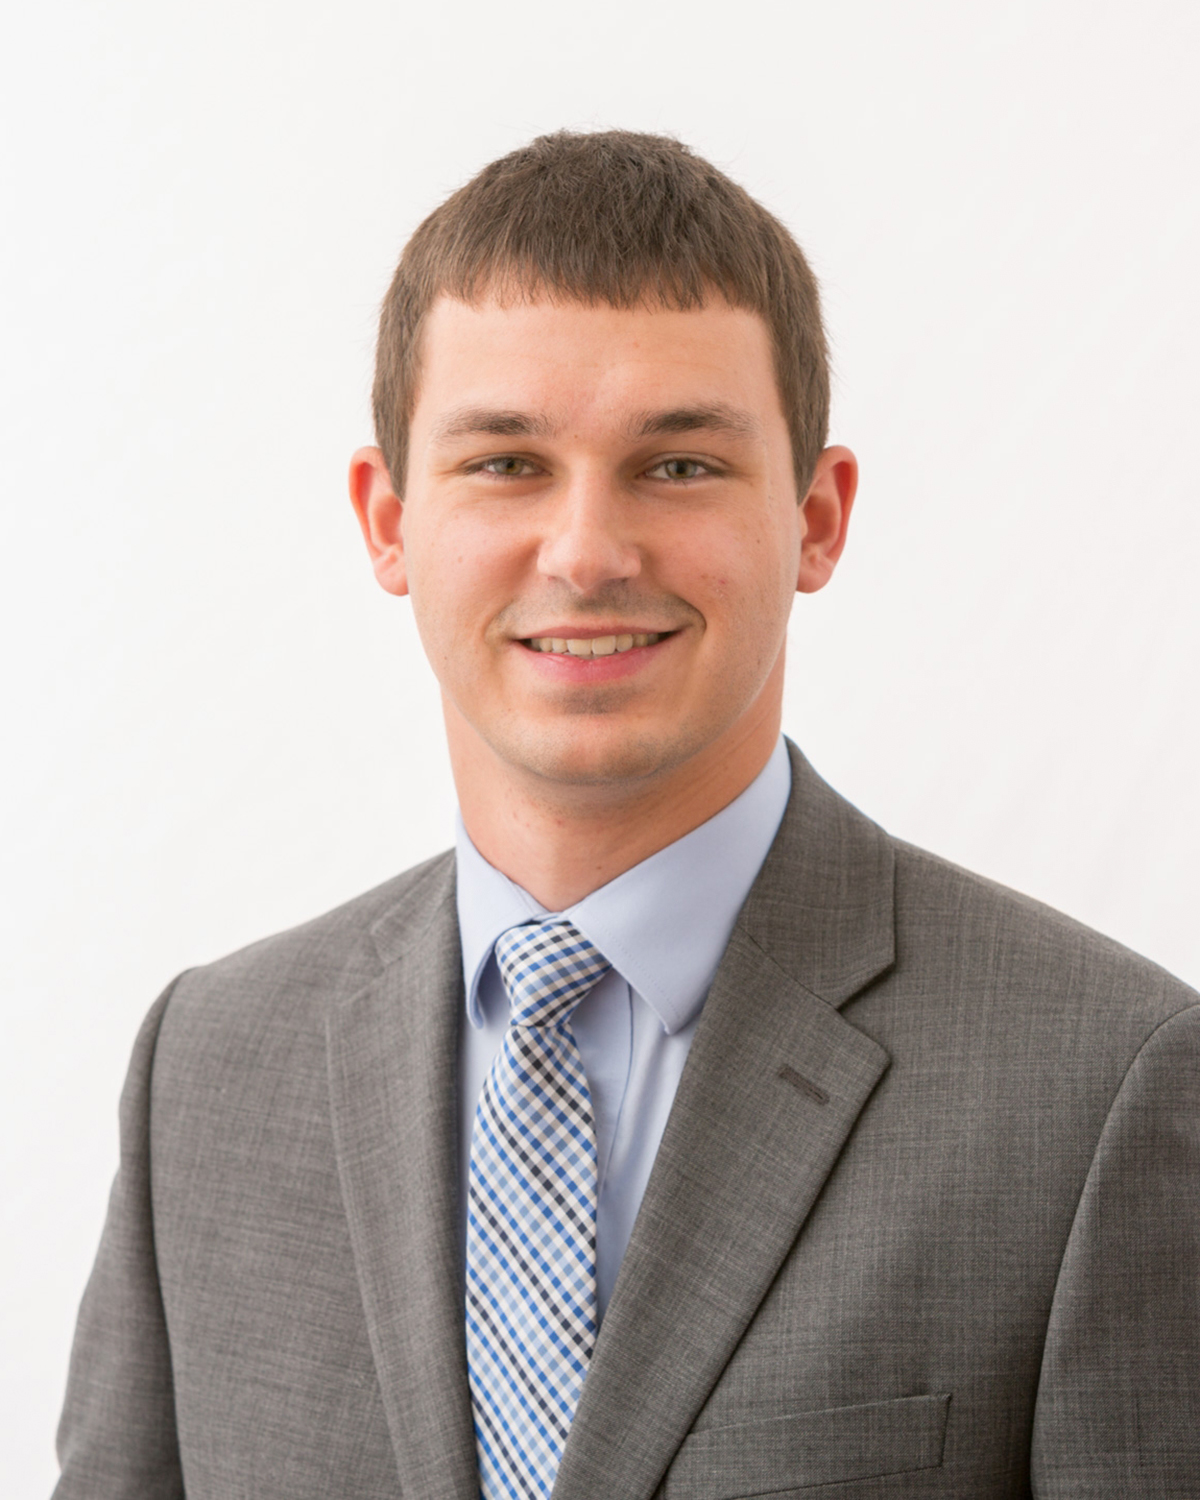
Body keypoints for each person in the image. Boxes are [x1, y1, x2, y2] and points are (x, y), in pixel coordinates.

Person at [54, 130, 1199, 1500]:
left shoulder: (1104, 1086)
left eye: (679, 465)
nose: (588, 552)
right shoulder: (210, 1071)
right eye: (506, 463)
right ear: (388, 521)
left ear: (817, 518)